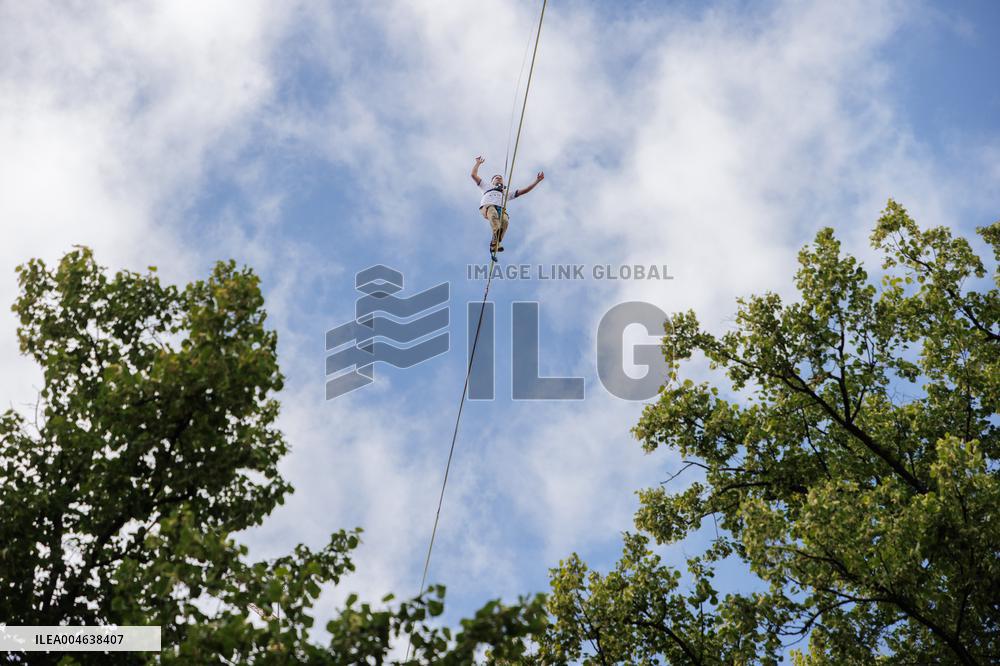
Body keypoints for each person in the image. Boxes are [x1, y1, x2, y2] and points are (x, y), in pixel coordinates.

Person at [470, 155, 544, 260]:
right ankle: (496, 238)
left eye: (500, 178)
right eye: (496, 178)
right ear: (492, 181)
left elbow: (524, 191)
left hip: (500, 210)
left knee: (505, 221)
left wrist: (537, 181)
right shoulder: (487, 186)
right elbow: (473, 175)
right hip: (487, 207)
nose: (499, 178)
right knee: (493, 214)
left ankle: (495, 243)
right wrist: (478, 163)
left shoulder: (506, 193)